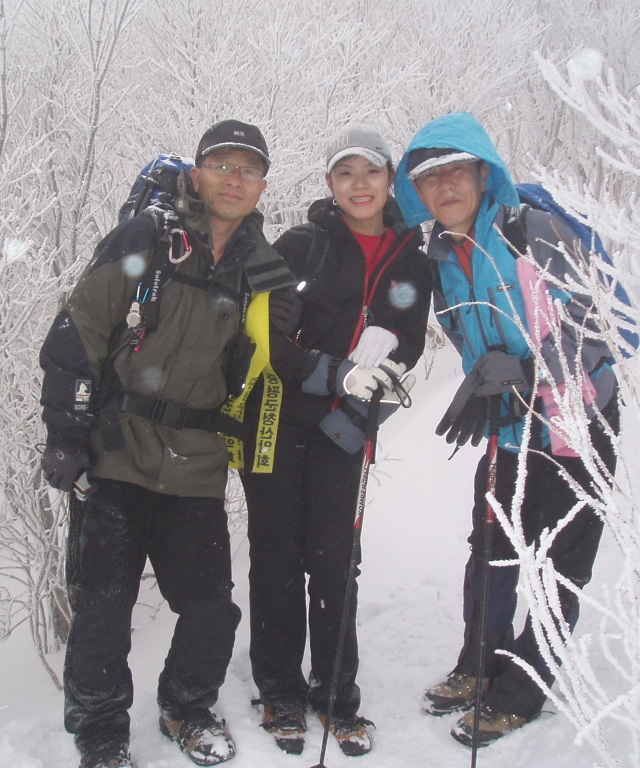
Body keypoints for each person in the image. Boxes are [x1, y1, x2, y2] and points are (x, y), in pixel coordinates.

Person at [38, 120, 296, 768]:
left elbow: (275, 359)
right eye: (222, 164)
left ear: (263, 185)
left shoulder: (259, 270)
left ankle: (186, 706)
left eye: (248, 169)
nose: (234, 179)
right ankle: (100, 736)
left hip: (197, 463)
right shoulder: (148, 236)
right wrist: (67, 431)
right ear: (198, 173)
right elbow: (83, 325)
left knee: (211, 609)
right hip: (119, 450)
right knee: (102, 607)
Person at [394, 112, 621, 748]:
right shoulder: (439, 256)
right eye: (430, 178)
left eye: (456, 171)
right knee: (490, 551)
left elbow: (614, 322)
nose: (445, 187)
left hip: (578, 424)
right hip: (508, 427)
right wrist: (490, 384)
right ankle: (479, 663)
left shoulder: (535, 231)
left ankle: (522, 688)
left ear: (483, 172)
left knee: (558, 566)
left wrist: (527, 367)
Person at [239, 123, 431, 757]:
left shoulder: (411, 255)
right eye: (345, 173)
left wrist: (389, 349)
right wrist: (333, 369)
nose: (359, 185)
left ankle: (336, 694)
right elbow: (270, 340)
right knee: (276, 553)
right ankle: (280, 691)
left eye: (371, 172)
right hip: (279, 414)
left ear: (389, 180)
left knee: (333, 558)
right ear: (329, 183)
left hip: (347, 422)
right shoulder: (303, 245)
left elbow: (409, 331)